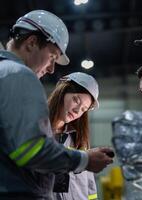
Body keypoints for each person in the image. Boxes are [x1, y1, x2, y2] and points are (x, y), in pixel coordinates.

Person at [0, 10, 113, 199]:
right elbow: (31, 150)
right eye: (52, 57)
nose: (52, 68)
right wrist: (85, 160)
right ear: (32, 43)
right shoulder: (19, 75)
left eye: (84, 108)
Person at [48, 72, 101, 200]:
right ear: (61, 92)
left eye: (83, 109)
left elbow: (90, 185)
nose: (78, 111)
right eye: (76, 100)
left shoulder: (78, 139)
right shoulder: (36, 130)